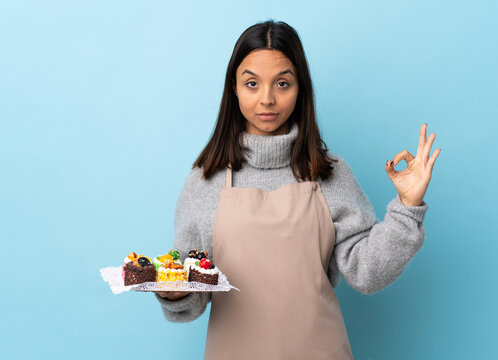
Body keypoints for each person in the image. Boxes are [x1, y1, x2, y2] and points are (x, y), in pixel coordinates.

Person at [155, 19, 440, 359]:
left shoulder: (329, 173)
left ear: (300, 87)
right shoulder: (207, 179)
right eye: (251, 83)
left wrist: (407, 208)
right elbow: (192, 289)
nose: (267, 99)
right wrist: (175, 292)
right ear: (233, 88)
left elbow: (367, 273)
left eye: (283, 83)